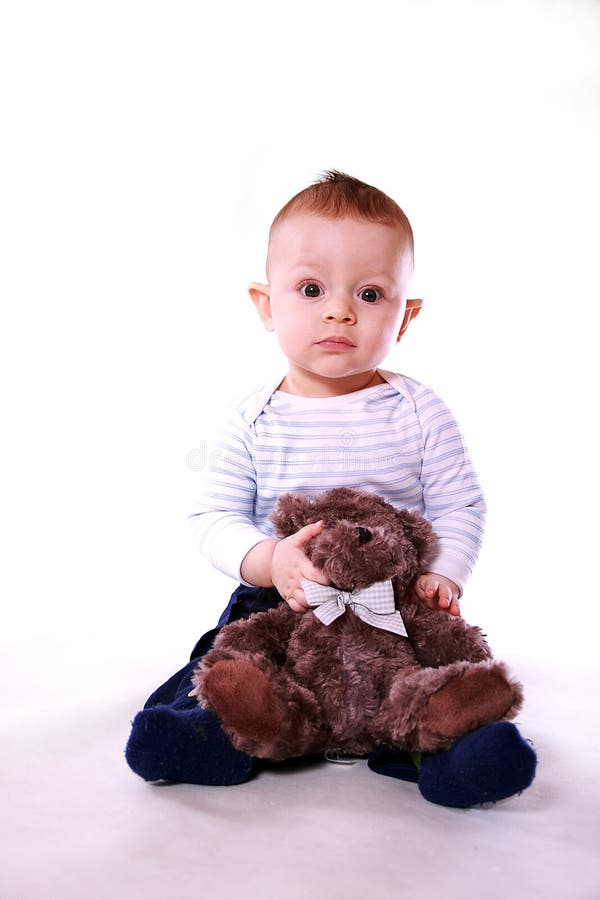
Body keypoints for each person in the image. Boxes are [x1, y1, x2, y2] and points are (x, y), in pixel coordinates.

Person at [125, 171, 536, 806]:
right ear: (267, 304)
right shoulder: (252, 417)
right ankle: (214, 730)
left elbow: (460, 503)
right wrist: (269, 561)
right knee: (225, 659)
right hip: (283, 601)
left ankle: (455, 753)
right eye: (311, 288)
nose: (339, 309)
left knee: (439, 673)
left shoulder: (418, 409)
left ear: (407, 316)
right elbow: (214, 516)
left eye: (371, 293)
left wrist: (444, 575)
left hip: (394, 606)